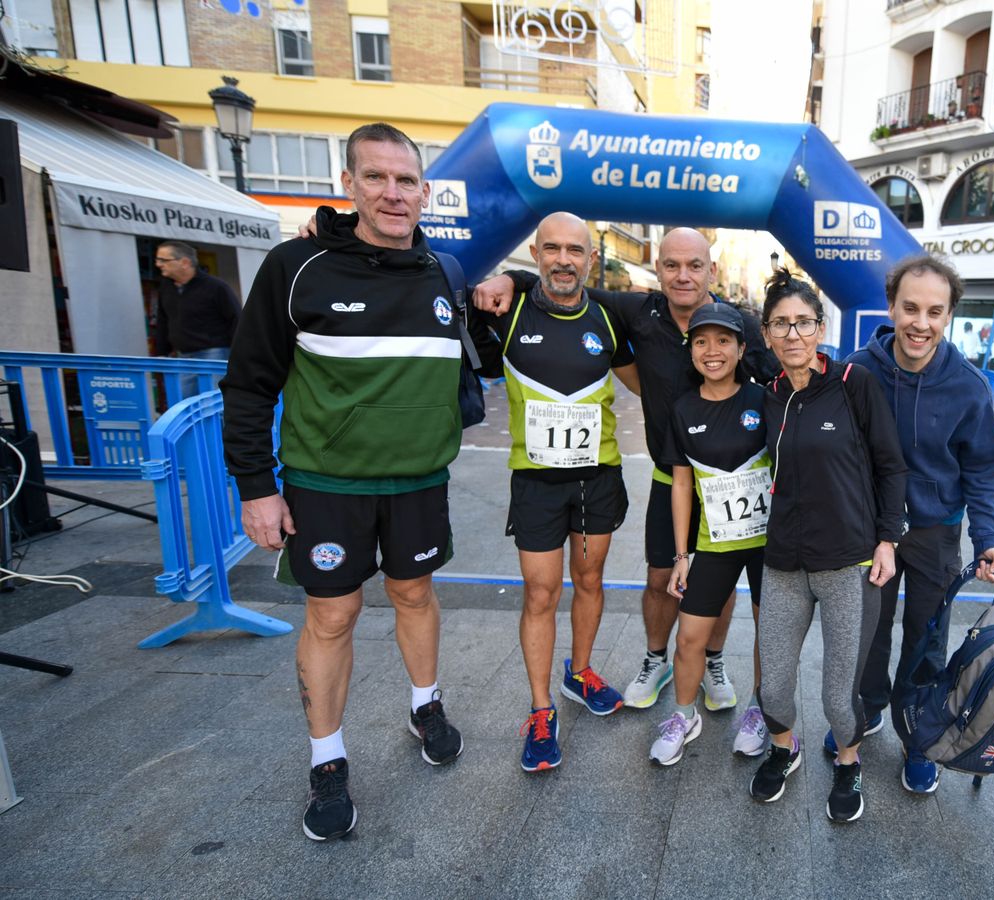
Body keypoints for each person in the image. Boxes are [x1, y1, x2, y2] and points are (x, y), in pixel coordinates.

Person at [221, 123, 501, 842]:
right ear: (348, 185)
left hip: (417, 483)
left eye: (405, 181)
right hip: (326, 485)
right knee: (333, 617)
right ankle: (327, 758)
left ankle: (424, 704)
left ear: (425, 193)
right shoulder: (296, 267)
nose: (391, 193)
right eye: (375, 177)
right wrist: (257, 487)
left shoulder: (444, 273)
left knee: (415, 594)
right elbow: (249, 383)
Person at [476, 229, 778, 755]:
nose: (683, 276)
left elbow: (782, 390)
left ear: (711, 270)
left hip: (736, 485)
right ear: (658, 270)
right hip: (672, 477)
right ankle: (657, 659)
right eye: (672, 265)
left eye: (695, 266)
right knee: (661, 580)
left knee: (722, 583)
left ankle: (712, 661)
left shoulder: (741, 324)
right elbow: (561, 286)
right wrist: (512, 276)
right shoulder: (638, 312)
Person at [844, 254, 994, 795]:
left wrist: (987, 540)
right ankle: (864, 712)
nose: (921, 322)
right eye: (910, 308)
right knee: (869, 631)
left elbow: (984, 466)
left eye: (935, 311)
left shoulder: (968, 385)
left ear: (949, 316)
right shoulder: (858, 371)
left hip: (937, 530)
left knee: (927, 639)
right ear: (891, 307)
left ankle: (918, 734)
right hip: (872, 529)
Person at [749, 269, 906, 823]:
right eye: (781, 325)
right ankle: (783, 748)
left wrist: (888, 539)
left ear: (820, 328)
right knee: (773, 689)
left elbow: (890, 464)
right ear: (766, 334)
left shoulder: (852, 383)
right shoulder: (764, 398)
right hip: (784, 563)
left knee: (840, 697)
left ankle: (847, 761)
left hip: (849, 562)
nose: (793, 334)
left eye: (804, 322)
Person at [492, 211, 640, 773]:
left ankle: (579, 673)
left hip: (595, 478)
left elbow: (645, 384)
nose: (563, 260)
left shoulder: (605, 318)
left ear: (591, 259)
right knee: (541, 593)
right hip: (535, 482)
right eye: (551, 249)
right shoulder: (509, 312)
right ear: (534, 253)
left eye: (574, 251)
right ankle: (540, 708)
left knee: (591, 579)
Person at [650, 303, 771, 765]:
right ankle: (684, 716)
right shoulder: (682, 409)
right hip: (715, 543)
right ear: (692, 351)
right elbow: (681, 483)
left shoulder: (764, 400)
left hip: (768, 545)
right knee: (689, 638)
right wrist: (681, 555)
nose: (712, 350)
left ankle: (762, 712)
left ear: (742, 349)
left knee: (770, 634)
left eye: (724, 341)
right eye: (702, 341)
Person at [152, 240, 240, 397]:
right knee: (184, 404)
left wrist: (238, 354)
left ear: (184, 262)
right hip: (184, 356)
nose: (158, 264)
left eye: (163, 260)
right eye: (158, 260)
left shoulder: (216, 287)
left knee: (213, 402)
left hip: (215, 354)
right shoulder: (166, 287)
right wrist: (161, 353)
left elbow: (237, 319)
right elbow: (163, 320)